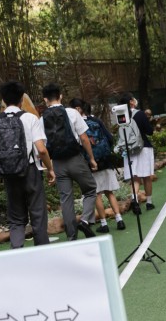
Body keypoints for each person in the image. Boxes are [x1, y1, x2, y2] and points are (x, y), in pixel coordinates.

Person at [0, 81, 56, 248]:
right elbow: (42, 150)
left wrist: (0, 167)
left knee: (16, 218)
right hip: (30, 170)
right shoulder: (30, 118)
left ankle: (17, 252)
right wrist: (50, 169)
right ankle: (42, 253)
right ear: (22, 99)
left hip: (9, 175)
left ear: (3, 99)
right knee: (38, 214)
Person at [41, 83, 97, 240]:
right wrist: (91, 158)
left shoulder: (41, 119)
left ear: (45, 99)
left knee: (66, 199)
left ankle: (72, 237)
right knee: (90, 189)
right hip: (75, 158)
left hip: (57, 162)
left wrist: (49, 168)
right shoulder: (72, 113)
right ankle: (85, 220)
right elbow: (84, 138)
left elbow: (43, 148)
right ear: (61, 96)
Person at [72, 98, 125, 232]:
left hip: (91, 164)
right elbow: (110, 138)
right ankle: (119, 219)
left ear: (78, 109)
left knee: (97, 194)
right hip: (106, 161)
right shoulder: (97, 121)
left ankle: (104, 224)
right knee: (109, 192)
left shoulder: (77, 125)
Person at [116, 92, 156, 210]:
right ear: (131, 102)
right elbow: (149, 131)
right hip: (143, 147)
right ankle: (149, 202)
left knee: (135, 177)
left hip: (129, 150)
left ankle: (135, 199)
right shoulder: (140, 114)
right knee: (146, 176)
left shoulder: (121, 117)